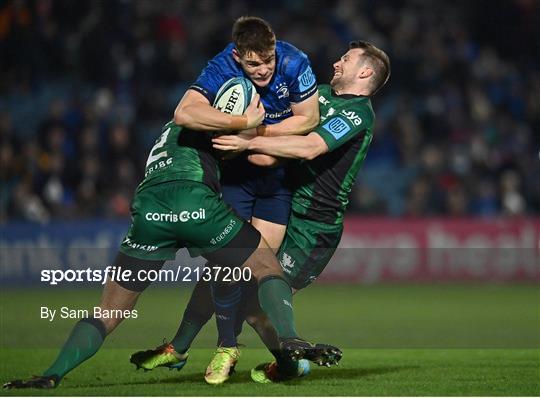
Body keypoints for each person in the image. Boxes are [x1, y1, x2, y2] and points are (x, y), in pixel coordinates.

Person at [2, 62, 336, 392]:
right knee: (265, 266)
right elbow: (250, 147)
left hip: (148, 209)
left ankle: (51, 374)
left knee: (109, 312)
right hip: (193, 201)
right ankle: (290, 340)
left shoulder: (171, 127)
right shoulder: (221, 119)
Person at [133, 40, 390, 383]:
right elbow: (274, 123)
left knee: (254, 308)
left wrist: (248, 142)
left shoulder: (358, 113)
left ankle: (289, 361)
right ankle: (179, 347)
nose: (336, 63)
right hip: (281, 204)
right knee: (224, 270)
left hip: (313, 227)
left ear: (365, 71)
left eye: (346, 59)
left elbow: (311, 147)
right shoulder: (319, 94)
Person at [129, 15, 322, 385]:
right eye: (253, 63)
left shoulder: (294, 61)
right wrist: (236, 126)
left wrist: (253, 134)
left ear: (275, 47)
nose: (263, 70)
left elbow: (309, 118)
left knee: (249, 273)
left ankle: (184, 347)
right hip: (235, 180)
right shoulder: (221, 65)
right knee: (227, 267)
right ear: (238, 56)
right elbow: (184, 113)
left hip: (278, 183)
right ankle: (226, 347)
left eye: (268, 60)